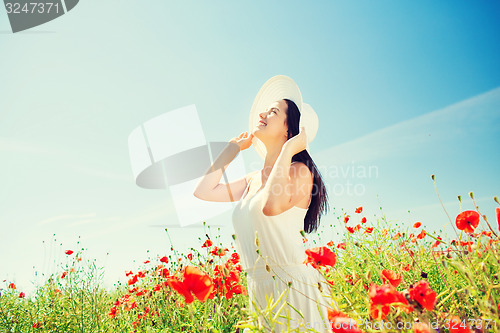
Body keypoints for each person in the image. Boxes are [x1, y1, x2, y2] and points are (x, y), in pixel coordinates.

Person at [193, 75, 333, 332]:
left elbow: (270, 205)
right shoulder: (251, 180)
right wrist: (231, 150)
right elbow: (203, 191)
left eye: (274, 111)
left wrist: (289, 150)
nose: (263, 114)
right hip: (259, 292)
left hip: (292, 290)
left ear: (288, 130)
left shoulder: (299, 171)